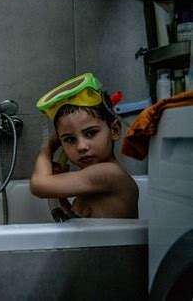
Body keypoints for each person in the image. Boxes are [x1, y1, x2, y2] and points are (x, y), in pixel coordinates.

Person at [30, 73, 138, 219]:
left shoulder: (110, 173)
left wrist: (49, 147)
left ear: (115, 130)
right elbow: (79, 221)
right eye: (69, 139)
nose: (81, 146)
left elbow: (38, 186)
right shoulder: (91, 179)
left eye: (90, 133)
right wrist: (61, 196)